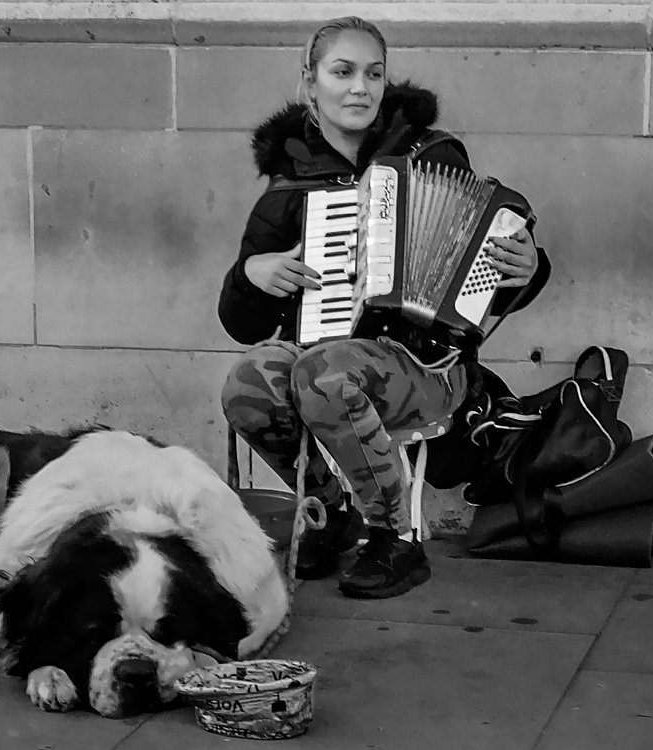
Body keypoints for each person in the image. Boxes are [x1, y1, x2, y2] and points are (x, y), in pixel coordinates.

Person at [218, 16, 551, 599]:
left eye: (373, 73)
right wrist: (253, 273)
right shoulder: (290, 187)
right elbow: (241, 324)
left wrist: (527, 267)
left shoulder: (432, 156)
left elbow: (483, 264)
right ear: (310, 80)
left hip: (426, 366)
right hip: (325, 359)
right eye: (341, 72)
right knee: (247, 382)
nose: (359, 88)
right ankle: (328, 509)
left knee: (324, 373)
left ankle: (394, 537)